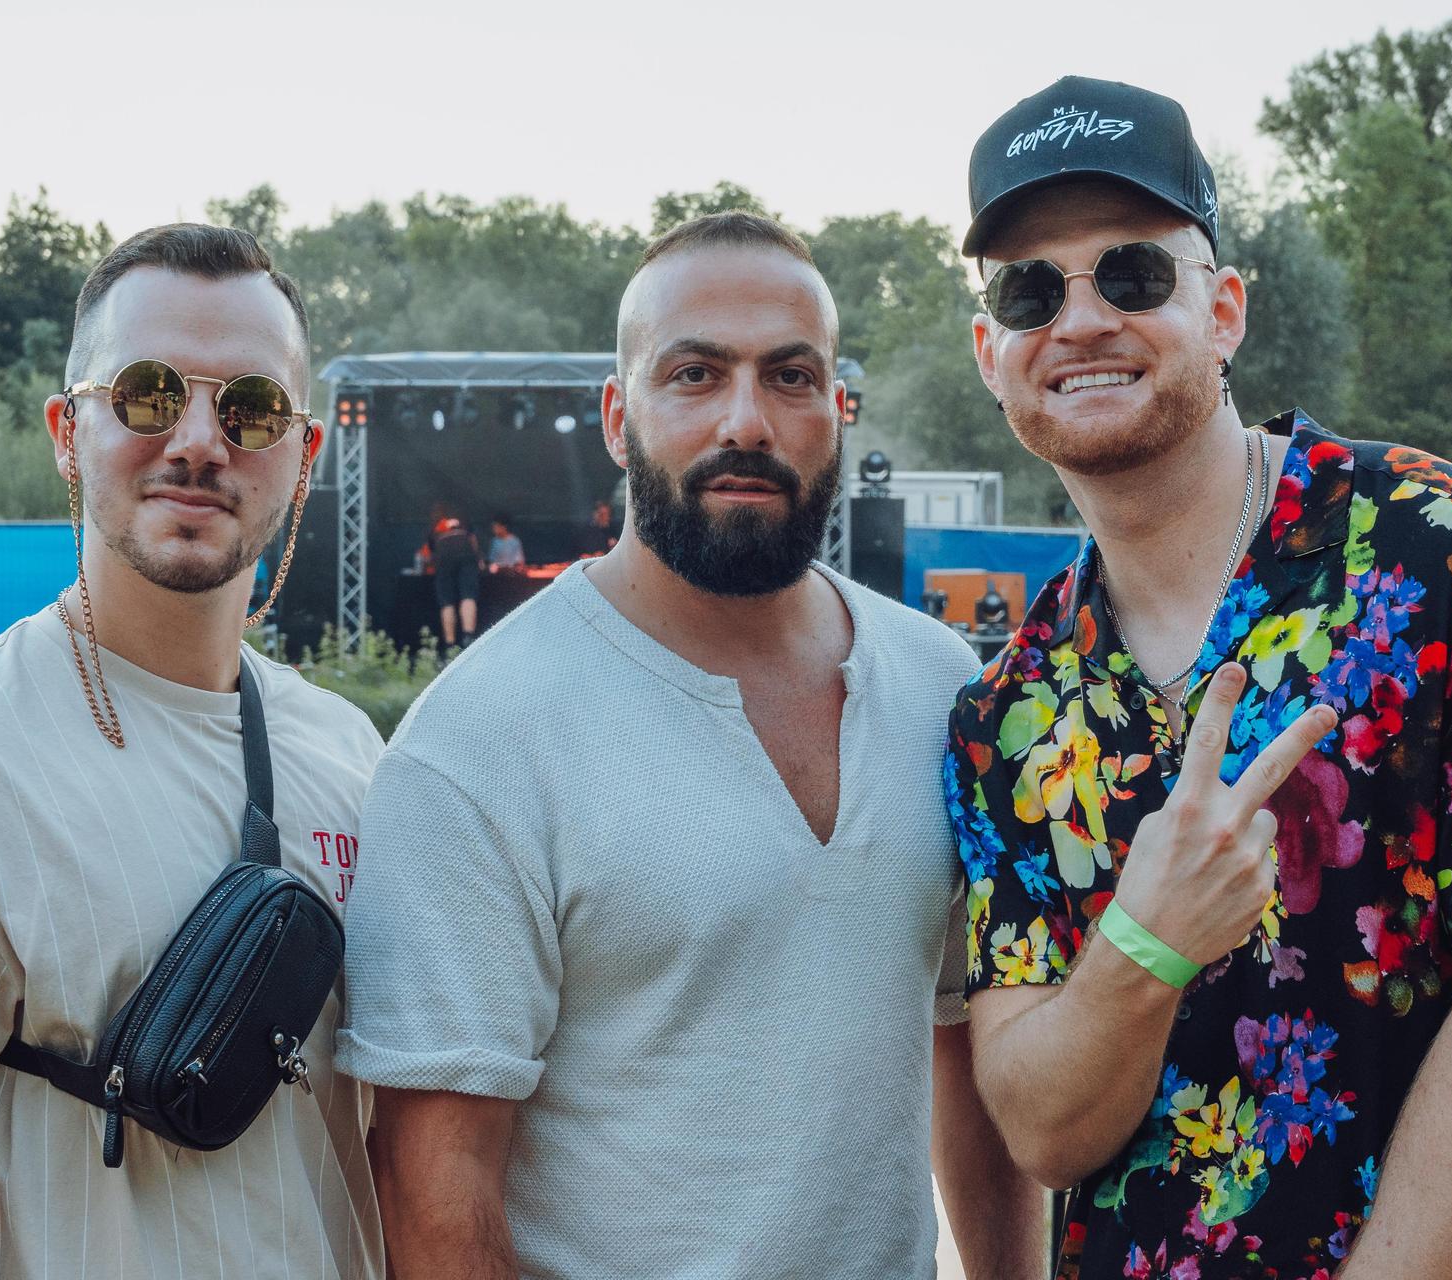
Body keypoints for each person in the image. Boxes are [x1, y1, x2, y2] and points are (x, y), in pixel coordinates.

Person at [943, 76, 1452, 1280]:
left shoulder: (1446, 544)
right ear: (990, 353)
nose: (1080, 320)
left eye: (1132, 274)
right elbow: (1041, 1127)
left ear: (1223, 308)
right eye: (1030, 289)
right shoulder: (1004, 709)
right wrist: (1147, 940)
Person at [338, 211, 1044, 1278]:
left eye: (791, 376)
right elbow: (435, 1192)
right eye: (697, 374)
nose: (748, 419)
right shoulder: (479, 740)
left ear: (837, 409)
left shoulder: (944, 688)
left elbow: (969, 1045)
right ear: (621, 415)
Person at [0, 224, 387, 1278]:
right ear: (68, 429)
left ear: (304, 455)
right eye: (148, 393)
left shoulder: (347, 750)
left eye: (251, 407)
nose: (200, 440)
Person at [426, 506, 481, 649]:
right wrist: (478, 559)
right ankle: (468, 636)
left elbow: (430, 552)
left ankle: (450, 644)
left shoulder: (434, 524)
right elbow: (473, 540)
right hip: (465, 550)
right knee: (468, 596)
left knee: (447, 602)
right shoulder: (464, 519)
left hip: (443, 554)